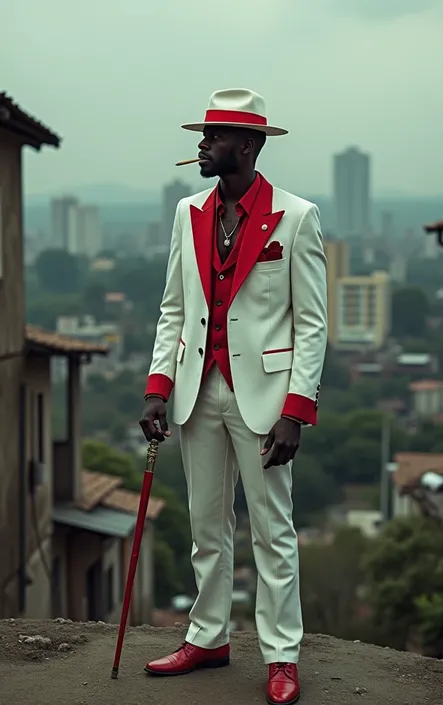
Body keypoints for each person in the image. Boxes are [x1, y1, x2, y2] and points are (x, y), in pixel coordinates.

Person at [139, 88, 327, 705]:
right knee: (206, 528)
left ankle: (281, 656)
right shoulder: (187, 211)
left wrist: (297, 409)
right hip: (199, 390)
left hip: (266, 399)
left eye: (214, 135)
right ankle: (208, 636)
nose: (202, 143)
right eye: (204, 133)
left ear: (247, 146)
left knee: (272, 531)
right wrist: (157, 388)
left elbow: (312, 325)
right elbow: (173, 309)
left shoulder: (296, 218)